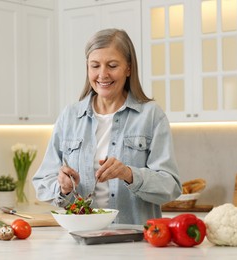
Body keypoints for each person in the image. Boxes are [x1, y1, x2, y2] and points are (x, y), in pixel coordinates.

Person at [32, 28, 181, 225]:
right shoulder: (70, 116)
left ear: (128, 68)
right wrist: (63, 187)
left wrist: (129, 174)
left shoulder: (150, 115)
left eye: (112, 65)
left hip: (134, 242)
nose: (103, 74)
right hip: (82, 239)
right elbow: (42, 183)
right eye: (95, 66)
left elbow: (170, 186)